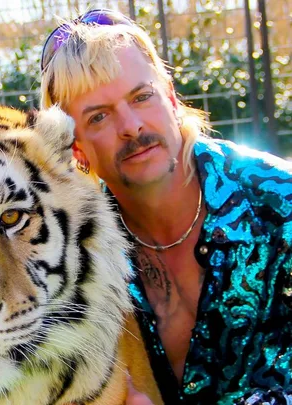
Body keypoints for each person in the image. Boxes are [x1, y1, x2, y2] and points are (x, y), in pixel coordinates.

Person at [39, 8, 292, 405]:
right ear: (77, 150)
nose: (132, 126)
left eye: (142, 97)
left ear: (171, 98)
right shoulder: (75, 256)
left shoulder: (280, 204)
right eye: (100, 117)